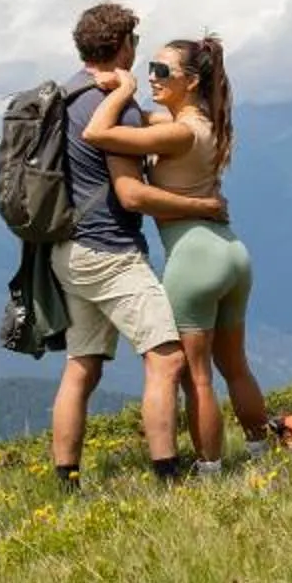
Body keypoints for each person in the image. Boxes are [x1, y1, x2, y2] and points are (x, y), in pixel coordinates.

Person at [48, 2, 228, 486]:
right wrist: (203, 207)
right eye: (136, 46)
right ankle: (168, 476)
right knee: (167, 359)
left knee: (81, 366)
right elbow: (129, 193)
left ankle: (66, 480)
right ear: (122, 45)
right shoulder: (115, 104)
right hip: (110, 251)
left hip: (66, 249)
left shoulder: (67, 93)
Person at [83, 32, 273, 471]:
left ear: (189, 81)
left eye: (162, 71)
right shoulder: (206, 122)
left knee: (197, 376)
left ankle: (210, 470)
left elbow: (97, 133)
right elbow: (146, 122)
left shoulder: (178, 133)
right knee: (236, 366)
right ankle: (262, 452)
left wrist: (124, 90)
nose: (151, 77)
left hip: (193, 258)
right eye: (148, 68)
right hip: (231, 254)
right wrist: (133, 99)